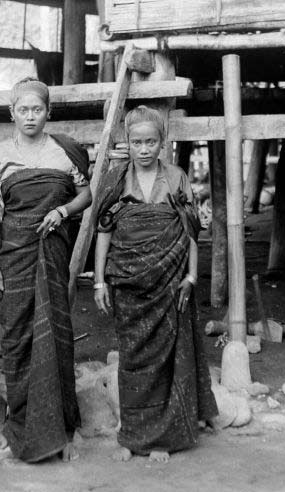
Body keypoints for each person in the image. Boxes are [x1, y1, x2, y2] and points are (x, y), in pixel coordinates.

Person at [93, 106, 218, 463]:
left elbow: (191, 232)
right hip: (128, 283)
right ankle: (132, 436)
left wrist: (192, 276)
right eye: (137, 142)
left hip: (170, 280)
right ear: (127, 143)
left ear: (162, 143)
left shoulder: (177, 177)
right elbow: (104, 232)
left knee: (166, 360)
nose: (144, 149)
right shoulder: (117, 179)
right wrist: (99, 281)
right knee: (132, 360)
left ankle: (162, 437)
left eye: (151, 142)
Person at [0, 77, 92, 463]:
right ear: (11, 113)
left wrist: (62, 211)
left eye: (37, 110)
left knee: (53, 334)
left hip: (51, 252)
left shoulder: (65, 153)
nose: (30, 117)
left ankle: (61, 426)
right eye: (23, 110)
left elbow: (87, 193)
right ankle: (17, 425)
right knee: (16, 337)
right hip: (13, 254)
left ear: (49, 112)